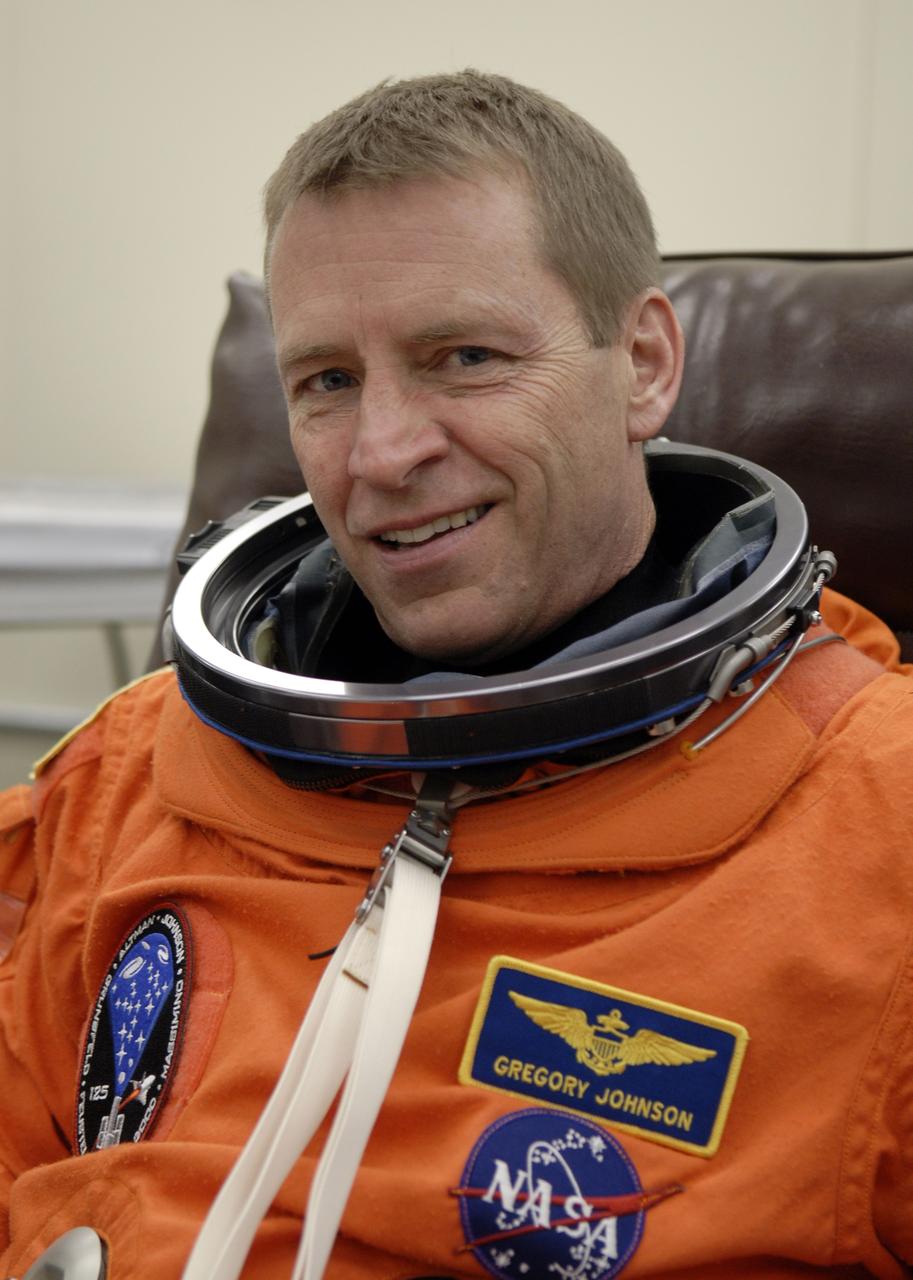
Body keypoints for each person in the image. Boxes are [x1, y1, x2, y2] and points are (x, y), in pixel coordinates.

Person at [1, 71, 911, 1280]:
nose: (381, 452)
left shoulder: (878, 828)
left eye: (464, 356)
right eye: (327, 379)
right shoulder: (116, 780)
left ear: (641, 363)